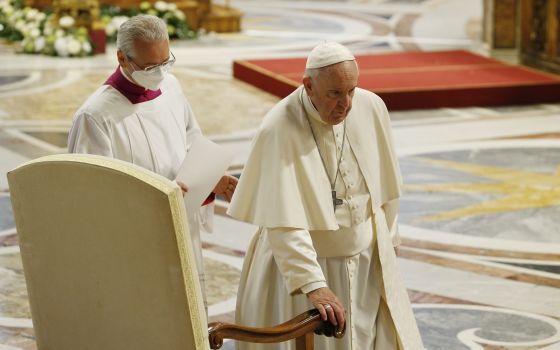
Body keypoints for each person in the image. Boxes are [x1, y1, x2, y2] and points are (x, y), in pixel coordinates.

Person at [227, 42, 424, 349]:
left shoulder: (370, 108)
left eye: (352, 90)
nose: (346, 104)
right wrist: (313, 284)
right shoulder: (278, 129)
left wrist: (389, 240)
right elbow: (283, 223)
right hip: (305, 267)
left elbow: (385, 191)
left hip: (365, 262)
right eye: (335, 93)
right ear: (308, 86)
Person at [67, 14, 237, 309]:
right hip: (135, 242)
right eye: (149, 66)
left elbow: (191, 142)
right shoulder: (95, 116)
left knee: (186, 309)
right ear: (122, 57)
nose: (159, 73)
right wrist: (157, 198)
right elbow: (91, 198)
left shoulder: (171, 88)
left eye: (166, 62)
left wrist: (211, 178)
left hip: (181, 226)